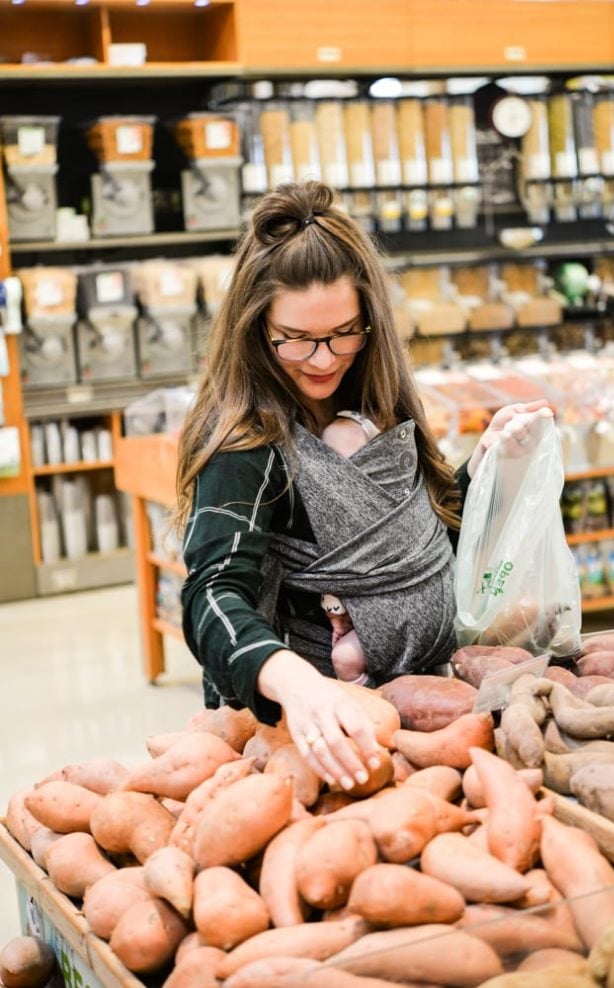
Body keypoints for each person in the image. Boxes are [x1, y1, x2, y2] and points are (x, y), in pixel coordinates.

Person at [176, 180, 551, 792]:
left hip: (427, 703)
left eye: (343, 333)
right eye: (294, 339)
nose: (323, 360)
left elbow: (414, 541)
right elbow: (212, 592)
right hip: (321, 729)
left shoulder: (374, 402)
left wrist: (488, 470)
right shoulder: (246, 441)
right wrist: (293, 682)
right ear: (254, 328)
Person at [319, 411, 382, 687]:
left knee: (345, 658)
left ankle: (374, 697)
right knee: (345, 659)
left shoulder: (391, 507)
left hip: (393, 612)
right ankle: (369, 695)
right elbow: (331, 585)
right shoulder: (329, 519)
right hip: (359, 613)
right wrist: (338, 621)